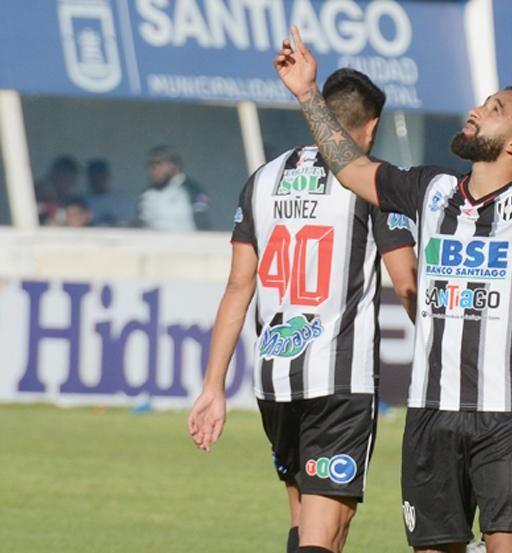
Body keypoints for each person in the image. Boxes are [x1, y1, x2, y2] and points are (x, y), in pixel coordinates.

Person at [275, 26, 512, 553]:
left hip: (507, 415)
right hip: (429, 413)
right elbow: (351, 167)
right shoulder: (431, 188)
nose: (477, 109)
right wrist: (308, 94)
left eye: (494, 108)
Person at [187, 68, 418, 553]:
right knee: (326, 532)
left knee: (305, 521)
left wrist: (213, 386)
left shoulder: (263, 179)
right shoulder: (373, 184)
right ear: (371, 127)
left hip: (274, 382)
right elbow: (408, 284)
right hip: (338, 385)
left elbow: (237, 287)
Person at [138, 146, 211, 231]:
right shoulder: (148, 193)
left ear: (174, 165)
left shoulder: (190, 188)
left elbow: (201, 220)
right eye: (150, 165)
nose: (154, 169)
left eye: (159, 163)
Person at [86, 158, 135, 227]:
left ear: (108, 176)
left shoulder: (123, 199)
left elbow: (130, 223)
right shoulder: (84, 201)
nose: (97, 179)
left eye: (101, 175)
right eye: (94, 175)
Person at [35, 155, 81, 225]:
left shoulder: (72, 199)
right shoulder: (38, 193)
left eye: (73, 178)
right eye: (67, 176)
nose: (71, 182)